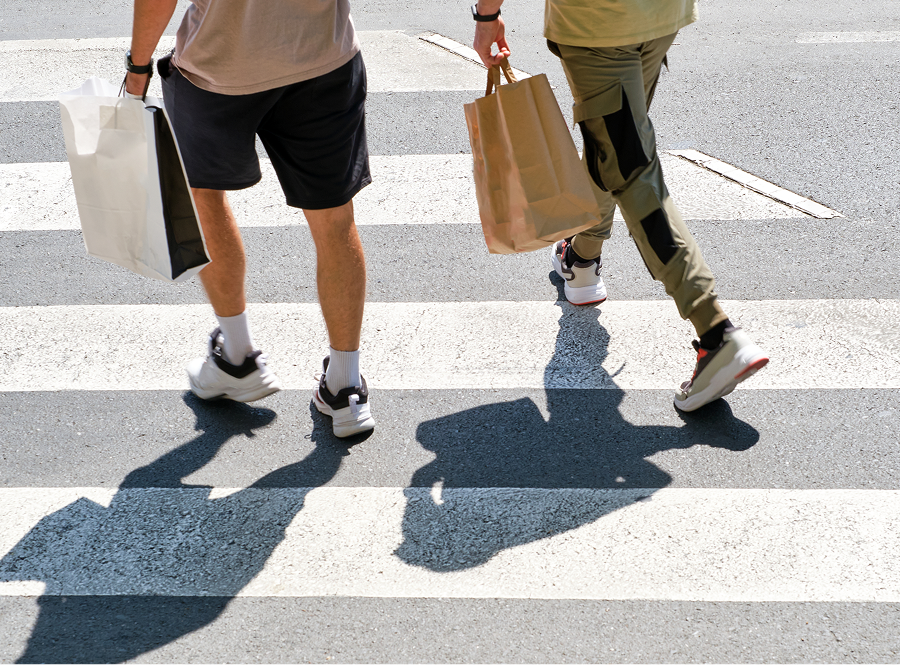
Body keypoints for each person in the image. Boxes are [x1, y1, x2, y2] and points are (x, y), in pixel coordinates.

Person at [471, 0, 769, 411]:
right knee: (614, 147)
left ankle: (715, 331)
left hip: (598, 25)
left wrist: (487, 14)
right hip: (660, 15)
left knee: (630, 169)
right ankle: (582, 258)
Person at [124, 0, 375, 436]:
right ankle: (345, 386)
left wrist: (138, 67)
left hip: (218, 70)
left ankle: (238, 357)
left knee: (205, 197)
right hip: (323, 60)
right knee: (334, 220)